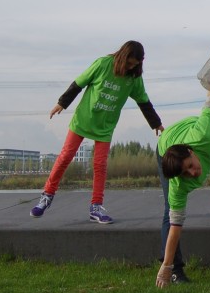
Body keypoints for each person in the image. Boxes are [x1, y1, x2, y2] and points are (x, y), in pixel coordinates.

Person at [30, 40, 163, 223]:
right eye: (129, 63)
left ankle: (96, 207)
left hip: (105, 126)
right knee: (65, 157)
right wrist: (62, 103)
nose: (130, 67)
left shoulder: (134, 78)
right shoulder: (103, 64)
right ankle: (47, 196)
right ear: (122, 56)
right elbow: (79, 83)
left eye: (135, 64)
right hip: (83, 120)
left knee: (100, 165)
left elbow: (143, 101)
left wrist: (156, 123)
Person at [155, 92, 210, 287]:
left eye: (191, 166)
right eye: (186, 173)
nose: (193, 173)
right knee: (169, 212)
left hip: (206, 147)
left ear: (191, 152)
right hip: (165, 146)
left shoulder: (204, 134)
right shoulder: (178, 183)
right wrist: (166, 266)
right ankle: (176, 271)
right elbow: (176, 225)